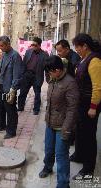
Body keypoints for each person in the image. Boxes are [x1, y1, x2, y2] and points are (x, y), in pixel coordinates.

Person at [39, 55, 79, 188]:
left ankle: (63, 184)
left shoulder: (70, 83)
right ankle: (48, 167)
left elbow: (72, 110)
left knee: (61, 156)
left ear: (57, 70)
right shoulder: (53, 79)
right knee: (49, 149)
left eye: (49, 71)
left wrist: (67, 129)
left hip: (63, 126)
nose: (48, 74)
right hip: (50, 123)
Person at [71, 33, 101, 180]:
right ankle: (79, 155)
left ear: (85, 46)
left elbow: (98, 87)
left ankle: (88, 169)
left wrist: (93, 106)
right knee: (80, 131)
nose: (76, 49)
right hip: (81, 103)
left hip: (90, 104)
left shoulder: (94, 60)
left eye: (77, 46)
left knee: (89, 136)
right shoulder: (83, 59)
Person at [0, 36, 23, 139]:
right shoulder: (4, 54)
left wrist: (13, 89)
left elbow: (17, 74)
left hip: (9, 87)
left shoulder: (15, 56)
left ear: (8, 44)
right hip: (1, 85)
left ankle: (11, 131)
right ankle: (1, 126)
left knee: (10, 109)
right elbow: (0, 69)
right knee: (0, 106)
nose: (0, 48)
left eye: (2, 46)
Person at [18, 37, 49, 115]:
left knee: (37, 94)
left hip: (37, 76)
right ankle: (20, 107)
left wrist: (48, 79)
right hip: (27, 75)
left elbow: (47, 68)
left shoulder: (45, 55)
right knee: (23, 92)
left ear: (39, 45)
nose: (32, 46)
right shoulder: (28, 52)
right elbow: (23, 63)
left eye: (34, 45)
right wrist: (22, 75)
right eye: (32, 44)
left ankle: (36, 109)